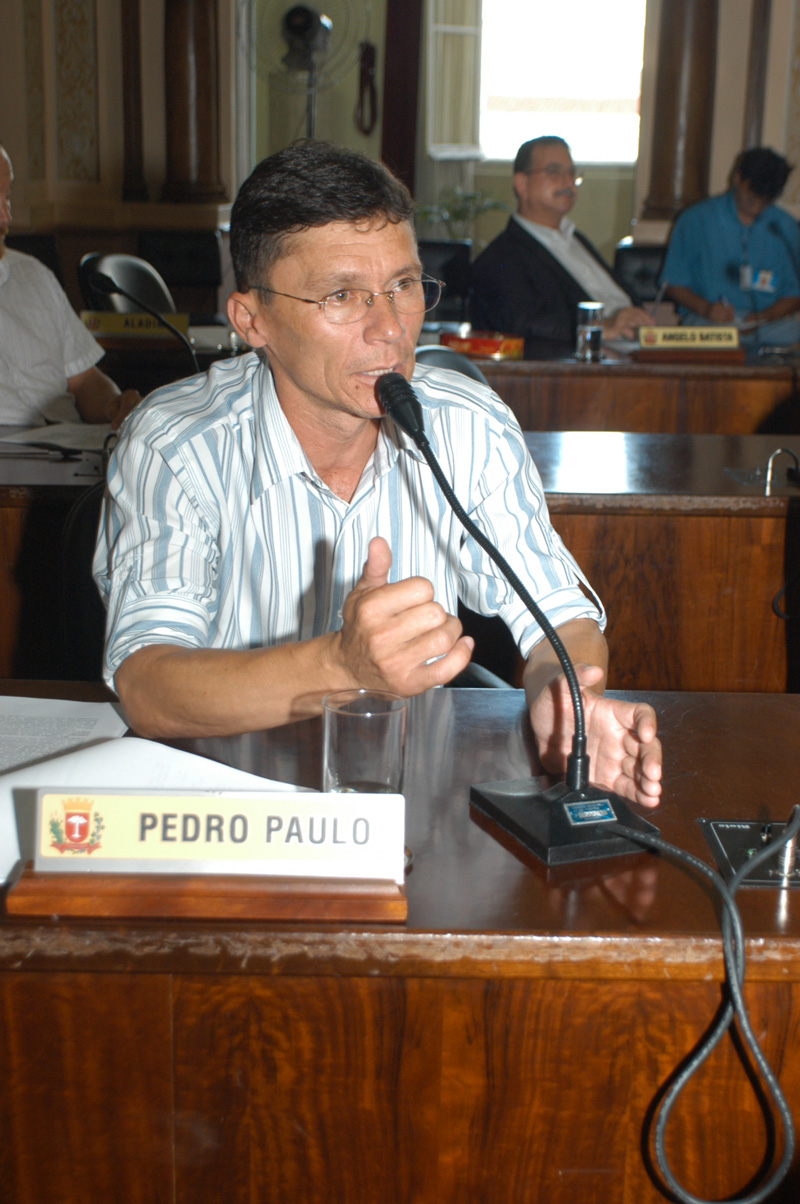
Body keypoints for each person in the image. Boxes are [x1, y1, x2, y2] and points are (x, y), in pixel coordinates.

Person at [94, 140, 661, 807]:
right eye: (342, 296)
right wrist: (339, 666)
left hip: (411, 811)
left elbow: (560, 618)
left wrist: (566, 701)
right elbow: (148, 687)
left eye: (403, 285)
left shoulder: (467, 425)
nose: (391, 329)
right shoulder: (175, 443)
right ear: (253, 319)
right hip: (224, 810)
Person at [469, 136, 652, 358]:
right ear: (522, 184)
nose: (568, 182)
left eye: (571, 173)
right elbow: (521, 322)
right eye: (554, 172)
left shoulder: (577, 240)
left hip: (636, 351)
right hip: (579, 367)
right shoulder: (501, 257)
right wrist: (599, 327)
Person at [0, 144, 140, 427]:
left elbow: (84, 380)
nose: (6, 218)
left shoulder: (34, 275)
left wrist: (114, 406)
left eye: (8, 197)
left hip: (70, 450)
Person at [661, 147, 800, 346]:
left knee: (792, 333)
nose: (756, 209)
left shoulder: (786, 227)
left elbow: (795, 294)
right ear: (737, 179)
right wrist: (707, 309)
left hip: (769, 326)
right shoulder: (695, 220)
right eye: (751, 199)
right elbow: (673, 284)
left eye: (765, 203)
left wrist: (763, 317)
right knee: (707, 334)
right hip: (709, 323)